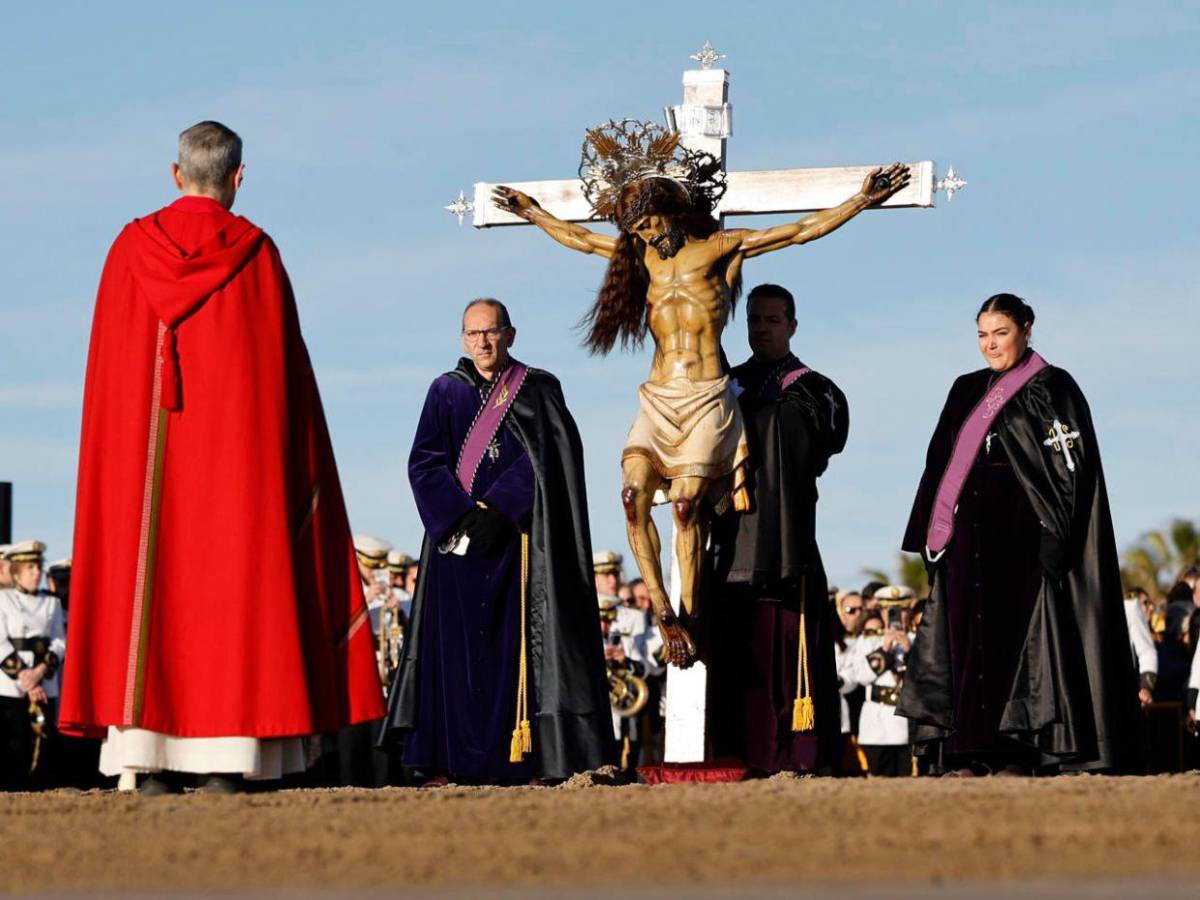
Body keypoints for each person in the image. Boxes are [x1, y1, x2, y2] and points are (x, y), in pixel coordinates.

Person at [59, 121, 385, 794]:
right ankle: (229, 760)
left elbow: (109, 392)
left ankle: (144, 760)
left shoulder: (128, 251)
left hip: (143, 475)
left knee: (150, 575)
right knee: (235, 582)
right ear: (238, 178)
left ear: (175, 175)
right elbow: (286, 390)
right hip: (241, 482)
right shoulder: (257, 254)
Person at [898, 293, 1138, 775]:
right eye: (983, 335)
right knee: (966, 641)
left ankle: (1016, 752)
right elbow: (937, 465)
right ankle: (968, 749)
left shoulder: (1053, 387)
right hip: (967, 540)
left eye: (1000, 333)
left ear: (1027, 329)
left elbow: (1072, 468)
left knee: (1016, 643)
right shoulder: (965, 390)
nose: (990, 344)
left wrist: (1058, 537)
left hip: (1023, 539)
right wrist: (932, 531)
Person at [382, 298, 614, 784]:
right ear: (462, 339)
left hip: (519, 545)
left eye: (491, 332)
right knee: (456, 654)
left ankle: (527, 760)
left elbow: (551, 458)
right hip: (456, 547)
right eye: (473, 334)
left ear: (510, 334)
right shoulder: (444, 392)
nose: (483, 342)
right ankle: (450, 762)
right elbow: (424, 462)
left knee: (517, 652)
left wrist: (499, 508)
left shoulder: (539, 388)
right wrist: (461, 518)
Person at [708, 282, 849, 775]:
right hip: (730, 544)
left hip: (788, 548)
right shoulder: (724, 384)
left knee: (790, 658)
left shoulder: (814, 389)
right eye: (753, 321)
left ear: (792, 325)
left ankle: (797, 757)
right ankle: (735, 756)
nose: (761, 330)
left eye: (771, 321)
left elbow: (823, 441)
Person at [0, 542, 65, 790]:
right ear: (15, 571)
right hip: (11, 684)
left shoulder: (52, 604)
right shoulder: (3, 600)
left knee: (43, 740)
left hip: (44, 682)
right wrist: (25, 678)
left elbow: (60, 641)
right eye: (29, 567)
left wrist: (39, 674)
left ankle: (39, 788)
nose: (36, 572)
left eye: (38, 566)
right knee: (13, 740)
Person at [847, 586, 915, 777]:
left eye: (901, 610)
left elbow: (928, 676)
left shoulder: (919, 638)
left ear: (909, 611)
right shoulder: (869, 641)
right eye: (890, 610)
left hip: (908, 724)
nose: (896, 615)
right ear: (882, 612)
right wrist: (884, 650)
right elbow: (859, 676)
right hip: (877, 726)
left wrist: (909, 651)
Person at [1123, 591, 1158, 709]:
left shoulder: (1130, 608)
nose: (1151, 607)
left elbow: (1147, 653)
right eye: (1146, 603)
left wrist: (1146, 688)